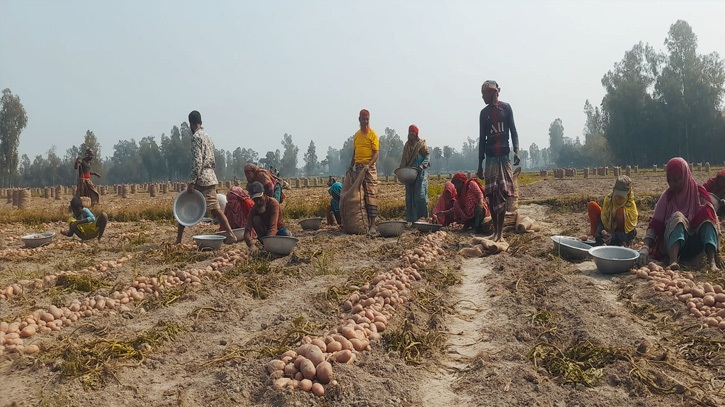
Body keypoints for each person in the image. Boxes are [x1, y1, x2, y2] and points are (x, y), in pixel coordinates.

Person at [639, 157, 723, 272]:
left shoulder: (699, 192)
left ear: (685, 176)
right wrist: (645, 247)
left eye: (676, 180)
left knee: (707, 217)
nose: (673, 184)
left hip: (696, 245)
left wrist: (718, 254)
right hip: (674, 246)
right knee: (677, 217)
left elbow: (714, 220)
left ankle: (712, 262)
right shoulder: (667, 197)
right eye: (670, 181)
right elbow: (655, 224)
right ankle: (673, 261)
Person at [175, 110, 236, 244]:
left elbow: (197, 161)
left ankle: (178, 240)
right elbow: (212, 158)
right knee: (215, 209)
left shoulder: (196, 137)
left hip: (201, 179)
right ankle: (231, 234)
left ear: (191, 123)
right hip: (210, 177)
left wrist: (192, 181)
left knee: (183, 207)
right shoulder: (207, 136)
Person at [476, 80, 520, 242]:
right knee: (492, 195)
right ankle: (495, 231)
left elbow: (513, 131)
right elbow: (482, 140)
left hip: (503, 156)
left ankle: (500, 233)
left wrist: (516, 150)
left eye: (484, 94)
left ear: (493, 92)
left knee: (502, 193)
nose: (482, 97)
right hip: (491, 159)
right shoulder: (483, 113)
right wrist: (480, 164)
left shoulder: (506, 108)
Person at [347, 109, 379, 235]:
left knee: (371, 195)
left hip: (369, 169)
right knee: (359, 196)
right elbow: (354, 153)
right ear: (359, 120)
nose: (365, 122)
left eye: (367, 119)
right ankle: (362, 224)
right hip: (358, 168)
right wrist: (351, 166)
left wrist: (368, 166)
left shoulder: (373, 135)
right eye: (363, 119)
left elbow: (376, 153)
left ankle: (372, 225)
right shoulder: (356, 135)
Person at [586, 176, 638, 246]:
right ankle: (597, 237)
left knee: (620, 212)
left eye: (621, 197)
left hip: (620, 235)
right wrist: (600, 232)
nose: (619, 198)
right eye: (617, 196)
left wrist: (614, 236)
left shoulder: (630, 207)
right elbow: (603, 219)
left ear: (628, 194)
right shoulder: (609, 200)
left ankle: (621, 242)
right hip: (607, 232)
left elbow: (632, 233)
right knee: (592, 205)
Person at [243, 181, 291, 247]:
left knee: (286, 234)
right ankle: (264, 243)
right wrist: (251, 244)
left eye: (260, 198)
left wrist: (268, 243)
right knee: (256, 219)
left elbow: (273, 227)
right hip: (265, 235)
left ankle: (268, 244)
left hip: (278, 232)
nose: (258, 202)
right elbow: (247, 230)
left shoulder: (273, 203)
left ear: (264, 194)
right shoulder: (254, 209)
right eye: (255, 200)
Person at [400, 124, 430, 223]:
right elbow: (404, 159)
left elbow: (427, 157)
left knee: (419, 196)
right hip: (410, 174)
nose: (411, 134)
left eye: (413, 132)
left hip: (420, 174)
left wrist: (422, 165)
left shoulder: (421, 144)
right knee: (409, 197)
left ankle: (423, 218)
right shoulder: (407, 145)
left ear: (416, 133)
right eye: (410, 132)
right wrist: (401, 171)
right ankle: (412, 220)